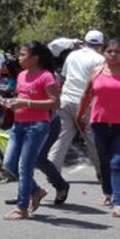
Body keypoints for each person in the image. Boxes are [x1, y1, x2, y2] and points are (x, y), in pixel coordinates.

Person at [1, 41, 60, 220]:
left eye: (23, 54)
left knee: (24, 166)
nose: (19, 58)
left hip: (37, 126)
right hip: (19, 125)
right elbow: (21, 97)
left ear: (35, 58)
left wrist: (25, 103)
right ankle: (36, 190)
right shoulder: (21, 75)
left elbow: (55, 102)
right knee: (9, 163)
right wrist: (11, 103)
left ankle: (22, 208)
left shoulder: (46, 76)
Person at [49, 30, 105, 177]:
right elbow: (99, 84)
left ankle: (52, 172)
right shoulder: (100, 59)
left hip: (66, 100)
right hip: (84, 104)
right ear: (100, 45)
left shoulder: (72, 55)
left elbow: (64, 77)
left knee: (60, 139)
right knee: (92, 140)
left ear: (85, 42)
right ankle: (103, 172)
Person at [77, 38, 120, 216]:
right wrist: (79, 116)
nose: (113, 54)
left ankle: (118, 201)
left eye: (117, 52)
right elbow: (86, 95)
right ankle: (108, 193)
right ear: (104, 52)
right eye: (110, 51)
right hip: (99, 123)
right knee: (103, 160)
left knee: (116, 161)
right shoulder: (96, 72)